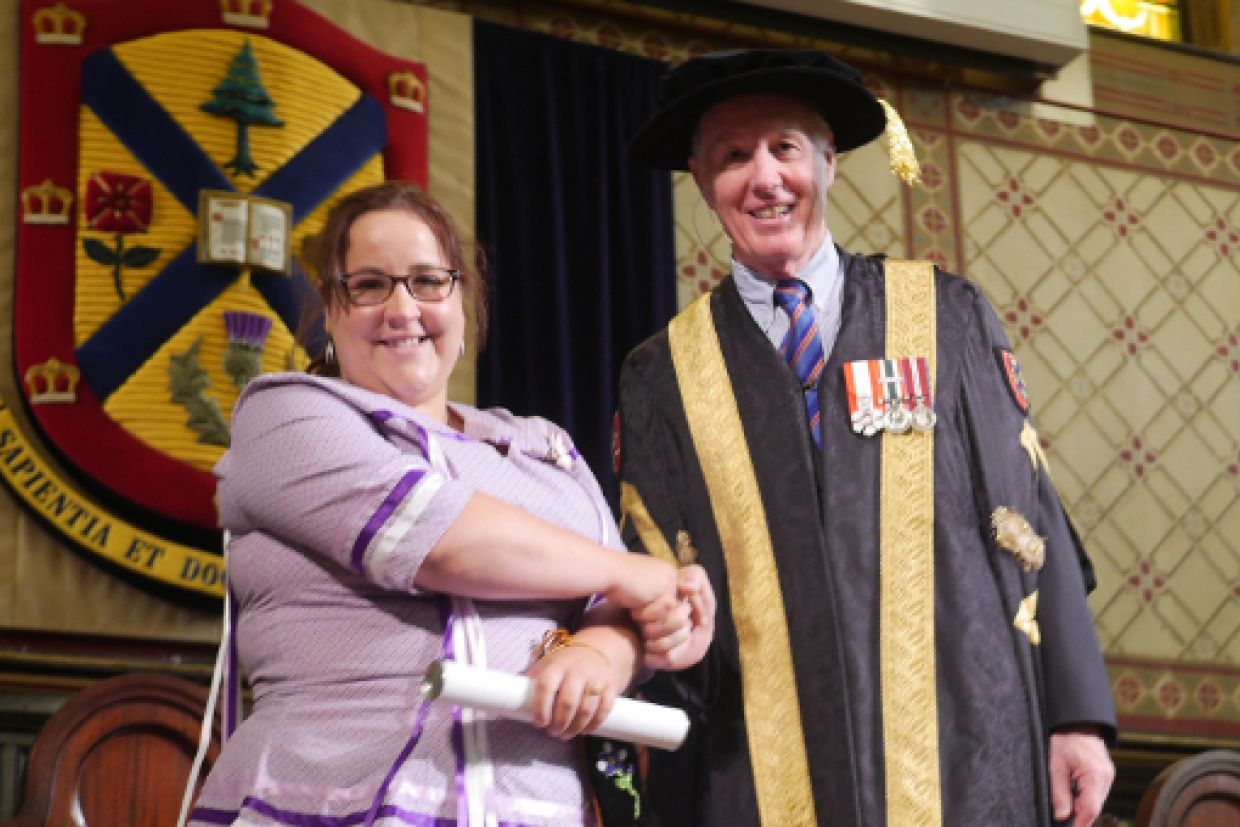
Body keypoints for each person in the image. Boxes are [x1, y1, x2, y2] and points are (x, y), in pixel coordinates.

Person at [616, 49, 1115, 827]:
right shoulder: (664, 373)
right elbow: (650, 577)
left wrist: (1076, 716)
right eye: (733, 156)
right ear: (701, 177)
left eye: (784, 148)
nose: (764, 178)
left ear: (829, 161)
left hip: (965, 750)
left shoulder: (945, 317)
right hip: (757, 763)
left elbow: (1034, 515)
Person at [188, 181, 714, 827]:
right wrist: (633, 571)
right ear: (331, 307)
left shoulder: (541, 446)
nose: (402, 307)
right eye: (370, 284)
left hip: (537, 806)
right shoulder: (285, 416)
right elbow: (442, 540)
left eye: (428, 281)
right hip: (329, 796)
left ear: (461, 300)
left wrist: (600, 653)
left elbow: (617, 611)